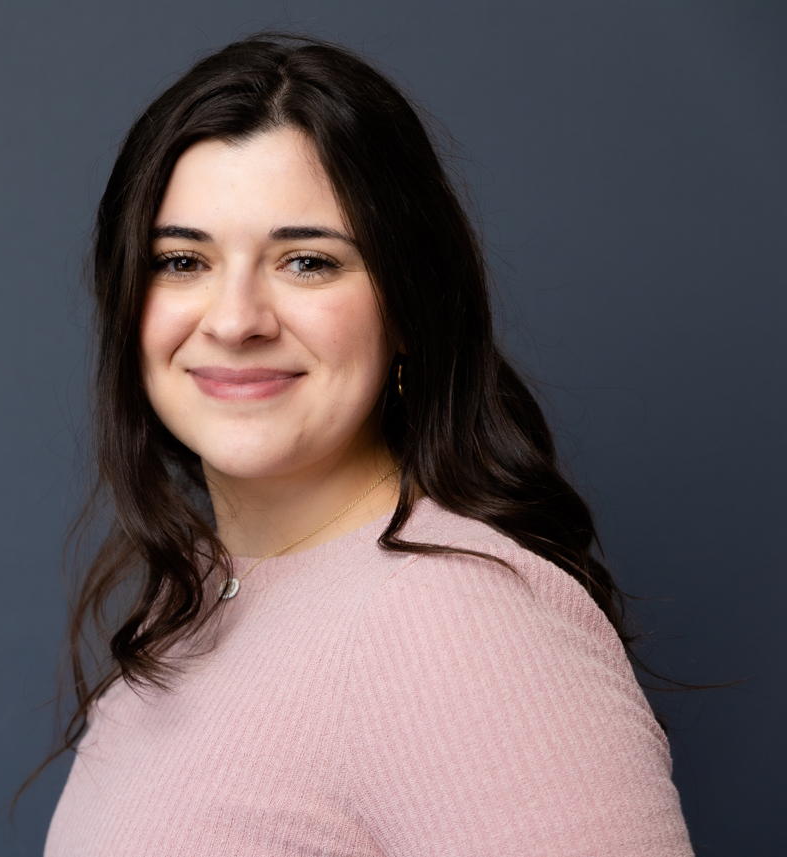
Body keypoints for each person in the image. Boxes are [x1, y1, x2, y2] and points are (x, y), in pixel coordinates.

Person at [42, 33, 694, 856]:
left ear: (408, 307)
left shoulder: (456, 622)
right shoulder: (196, 605)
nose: (236, 318)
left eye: (307, 261)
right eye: (182, 260)